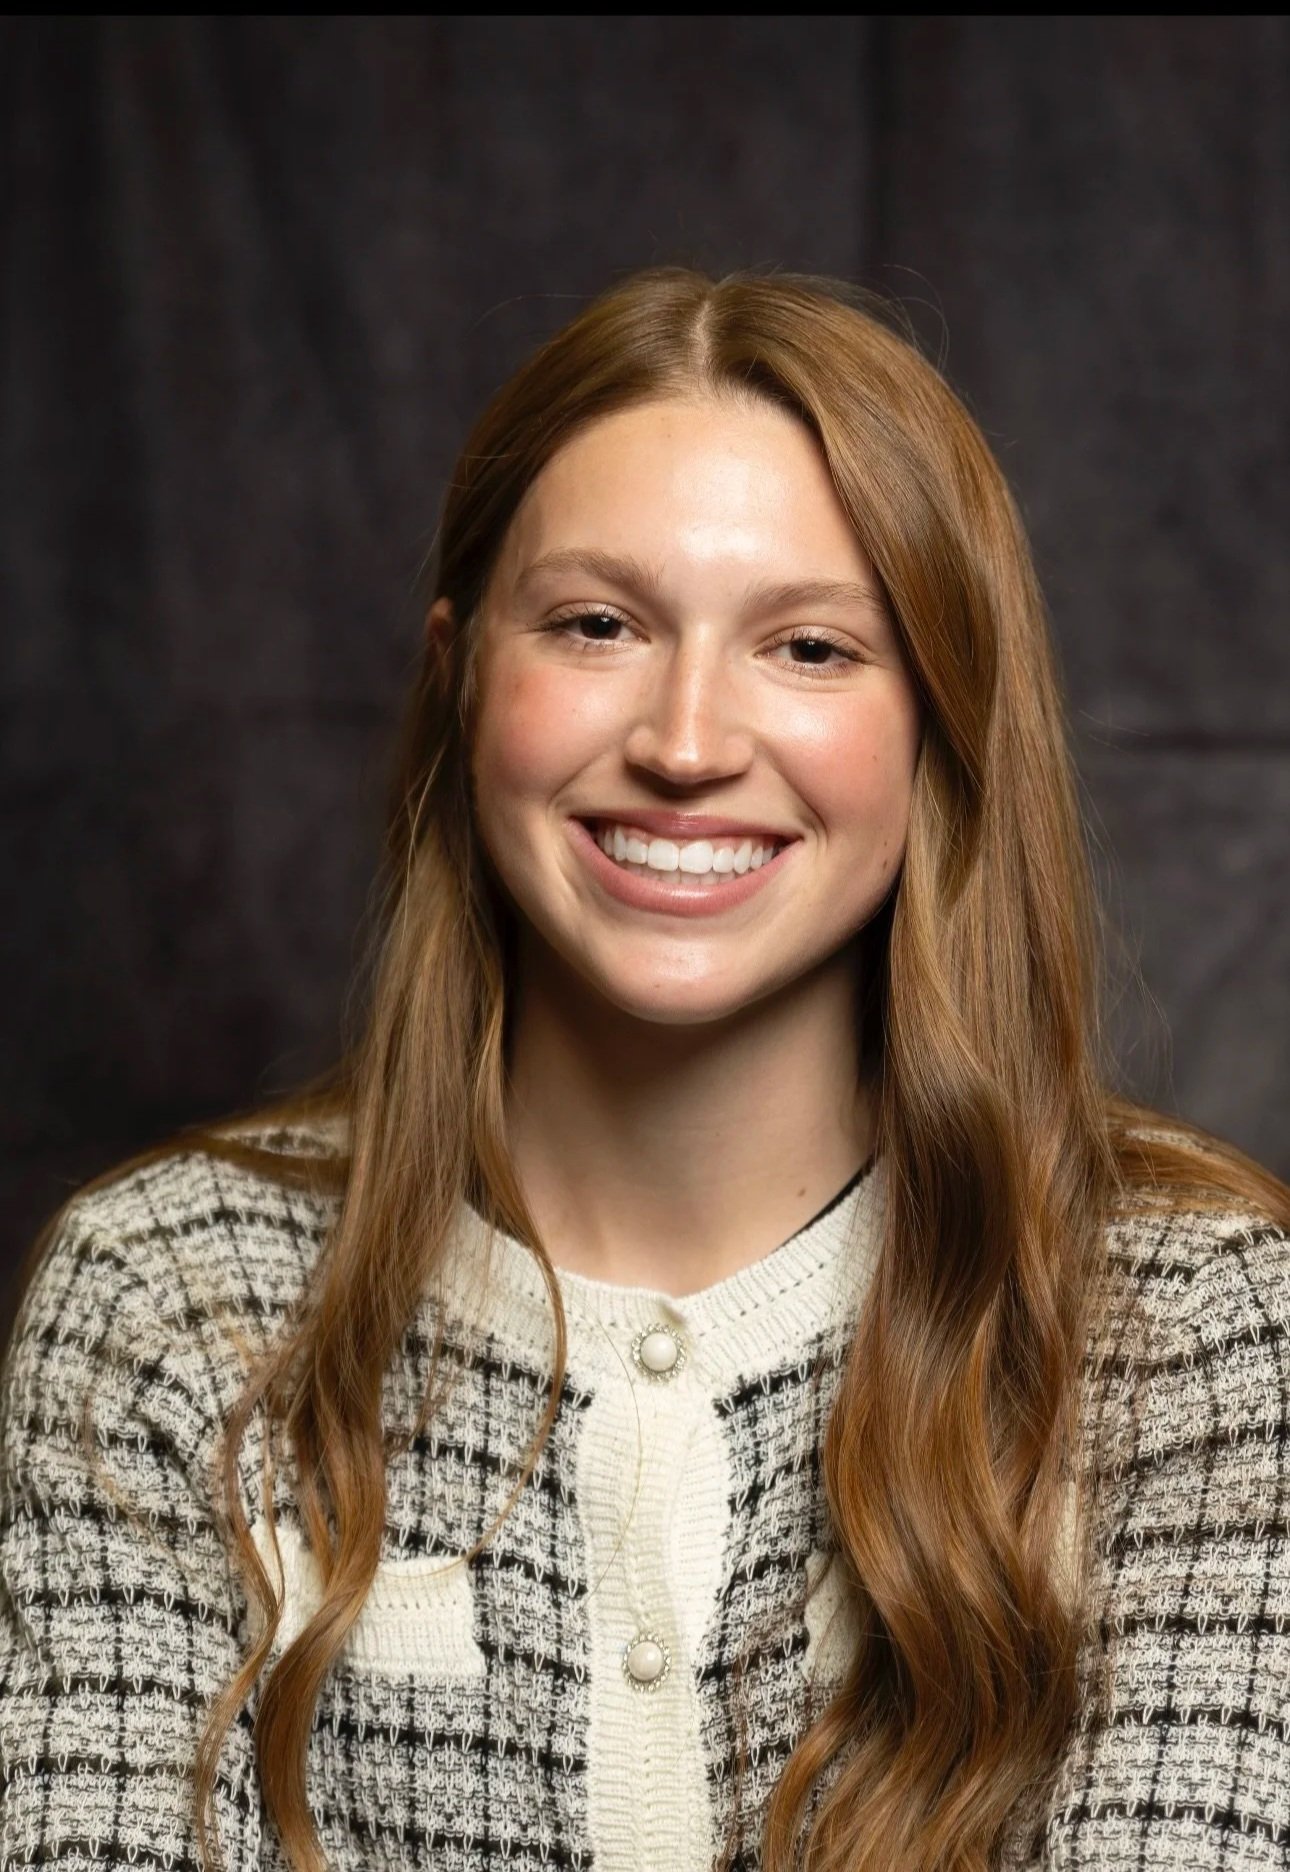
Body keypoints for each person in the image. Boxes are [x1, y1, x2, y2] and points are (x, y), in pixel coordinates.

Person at [2, 267, 1287, 1872]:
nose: (685, 743)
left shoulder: (1188, 1333)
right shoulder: (171, 1302)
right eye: (596, 625)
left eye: (808, 647)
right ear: (461, 677)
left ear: (942, 721)